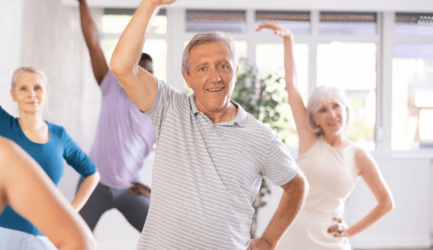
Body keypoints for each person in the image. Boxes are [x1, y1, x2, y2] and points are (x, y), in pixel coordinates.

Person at [109, 1, 309, 249]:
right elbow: (121, 67)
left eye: (223, 66)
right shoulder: (168, 107)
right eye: (202, 68)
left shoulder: (262, 137)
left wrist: (269, 239)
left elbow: (297, 186)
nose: (214, 77)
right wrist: (151, 4)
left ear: (235, 72)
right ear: (188, 77)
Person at [255, 22, 395, 250]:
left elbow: (386, 202)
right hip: (294, 231)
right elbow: (292, 87)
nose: (331, 114)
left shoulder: (359, 156)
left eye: (335, 106)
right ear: (314, 118)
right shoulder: (309, 139)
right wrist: (289, 41)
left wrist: (350, 231)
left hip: (329, 237)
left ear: (346, 110)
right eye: (322, 110)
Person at [0, 16, 96, 250]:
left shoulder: (59, 136)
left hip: (43, 239)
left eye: (37, 88)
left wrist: (70, 212)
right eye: (23, 88)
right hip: (1, 236)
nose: (31, 94)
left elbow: (92, 174)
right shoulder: (1, 124)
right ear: (13, 94)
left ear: (46, 93)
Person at [75, 0, 156, 232]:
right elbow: (93, 45)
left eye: (146, 72)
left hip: (129, 190)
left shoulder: (159, 115)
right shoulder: (111, 86)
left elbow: (181, 164)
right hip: (94, 183)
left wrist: (150, 192)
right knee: (75, 239)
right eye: (134, 70)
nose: (139, 76)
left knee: (163, 237)